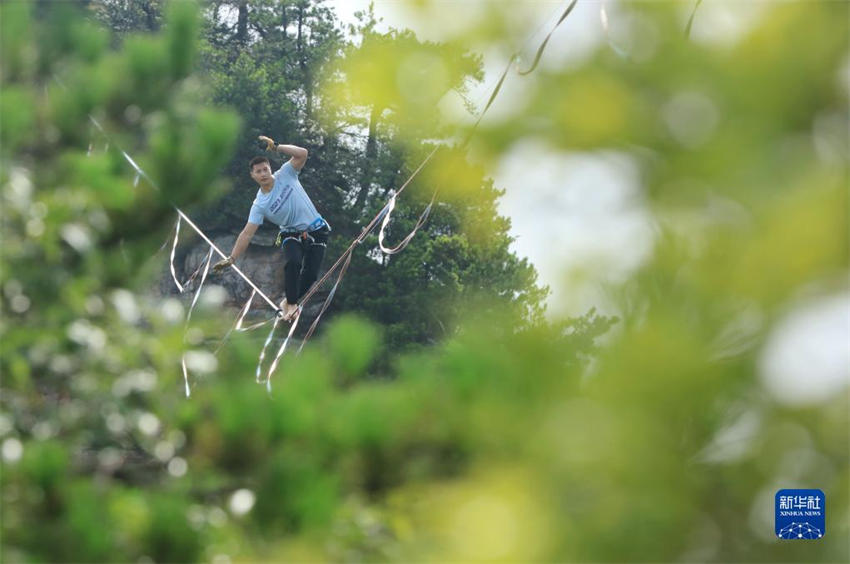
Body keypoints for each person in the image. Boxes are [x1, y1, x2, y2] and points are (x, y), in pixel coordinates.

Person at [213, 136, 330, 321]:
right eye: (258, 171)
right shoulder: (259, 204)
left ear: (270, 169)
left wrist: (277, 147)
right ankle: (291, 303)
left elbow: (303, 154)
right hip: (290, 233)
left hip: (318, 230)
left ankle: (288, 302)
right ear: (253, 176)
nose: (263, 173)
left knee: (311, 275)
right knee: (293, 262)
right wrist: (232, 258)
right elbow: (247, 233)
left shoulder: (286, 174)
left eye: (265, 169)